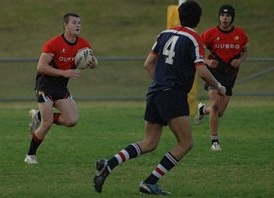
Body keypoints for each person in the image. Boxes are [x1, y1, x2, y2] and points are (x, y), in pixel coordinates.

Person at [93, 1, 226, 195]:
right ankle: (150, 181)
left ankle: (109, 164)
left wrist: (161, 83)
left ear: (179, 16)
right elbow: (201, 69)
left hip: (155, 91)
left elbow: (148, 64)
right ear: (198, 19)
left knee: (149, 142)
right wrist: (219, 85)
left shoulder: (164, 34)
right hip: (172, 94)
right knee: (186, 142)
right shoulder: (194, 38)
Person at [24, 13, 98, 164]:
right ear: (66, 25)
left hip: (61, 87)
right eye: (74, 22)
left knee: (72, 120)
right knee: (47, 123)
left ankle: (38, 116)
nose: (78, 25)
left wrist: (93, 63)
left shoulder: (83, 43)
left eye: (79, 23)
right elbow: (41, 66)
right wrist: (64, 72)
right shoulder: (54, 43)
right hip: (45, 86)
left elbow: (93, 60)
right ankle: (30, 155)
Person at [194, 5, 248, 152]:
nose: (225, 18)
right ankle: (214, 142)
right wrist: (207, 61)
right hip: (213, 73)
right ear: (219, 17)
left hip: (230, 75)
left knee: (219, 112)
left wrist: (240, 60)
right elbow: (197, 52)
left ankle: (203, 110)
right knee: (216, 106)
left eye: (228, 16)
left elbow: (244, 50)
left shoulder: (240, 34)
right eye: (222, 15)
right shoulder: (210, 33)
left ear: (232, 18)